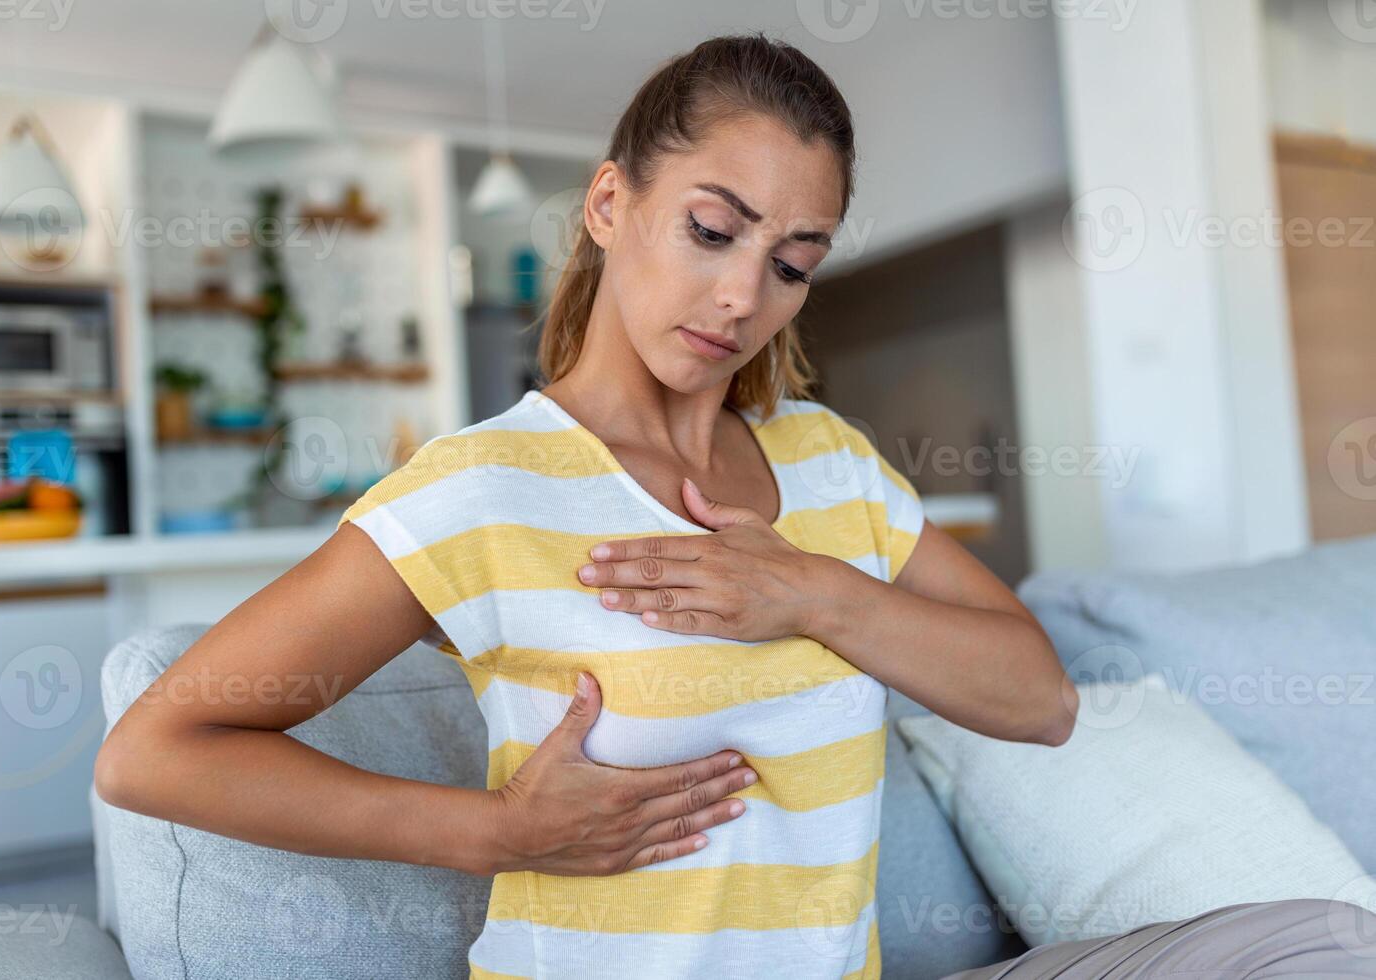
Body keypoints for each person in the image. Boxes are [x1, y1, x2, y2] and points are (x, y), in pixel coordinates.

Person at [96, 31, 1375, 979]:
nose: (739, 296)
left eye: (791, 263)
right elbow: (154, 750)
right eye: (712, 229)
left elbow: (1036, 701)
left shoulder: (829, 466)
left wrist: (808, 590)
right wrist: (492, 829)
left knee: (1323, 941)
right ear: (611, 204)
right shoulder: (481, 487)